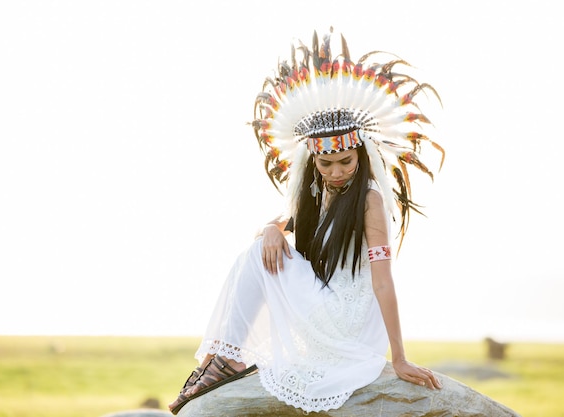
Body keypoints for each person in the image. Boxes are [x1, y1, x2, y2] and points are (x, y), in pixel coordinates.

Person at [168, 28, 444, 415]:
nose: (336, 172)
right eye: (326, 163)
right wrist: (270, 229)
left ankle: (225, 359)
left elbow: (383, 280)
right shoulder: (316, 194)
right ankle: (220, 356)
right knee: (258, 247)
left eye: (345, 162)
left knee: (253, 256)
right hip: (324, 306)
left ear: (360, 157)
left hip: (344, 319)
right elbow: (282, 222)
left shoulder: (369, 201)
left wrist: (399, 358)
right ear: (313, 160)